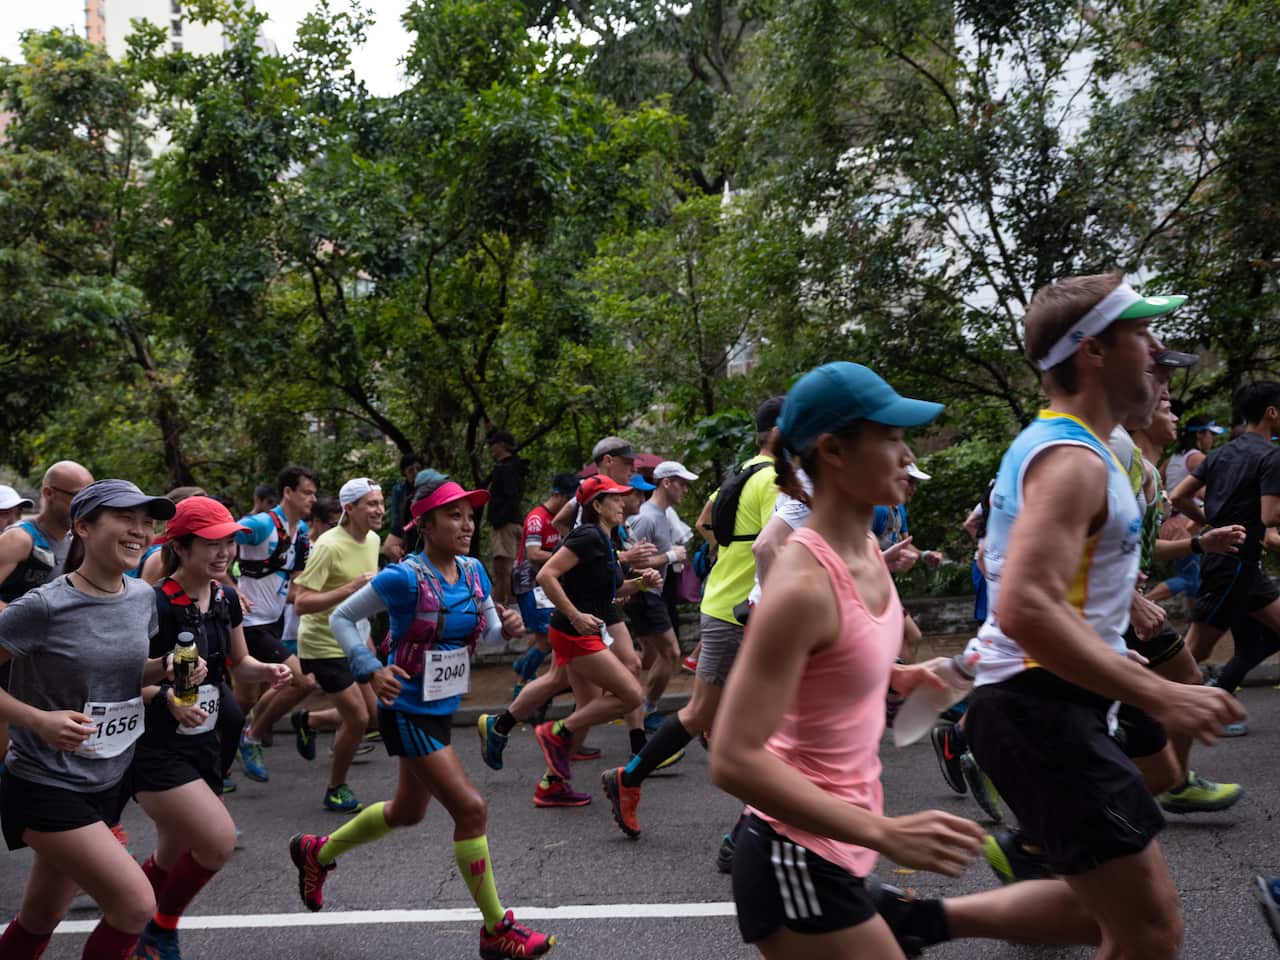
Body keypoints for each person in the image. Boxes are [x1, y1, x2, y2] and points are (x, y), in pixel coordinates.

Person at [966, 274, 1242, 959]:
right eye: (1141, 334)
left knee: (1121, 919)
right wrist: (1160, 691)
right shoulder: (1074, 462)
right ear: (1091, 350)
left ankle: (930, 919)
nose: (1157, 349)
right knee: (1149, 933)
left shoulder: (1072, 448)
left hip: (1055, 704)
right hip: (1040, 710)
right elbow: (1024, 606)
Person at [288, 476, 555, 959]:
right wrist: (369, 668)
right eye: (454, 515)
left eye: (470, 516)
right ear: (425, 525)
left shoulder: (474, 572)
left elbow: (490, 637)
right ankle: (496, 929)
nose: (467, 525)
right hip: (404, 707)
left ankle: (317, 852)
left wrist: (510, 627)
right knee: (471, 809)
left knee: (407, 812)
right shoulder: (403, 577)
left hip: (442, 706)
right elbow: (340, 619)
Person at [0, 480, 204, 960]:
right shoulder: (45, 606)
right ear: (84, 527)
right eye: (125, 519)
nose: (140, 531)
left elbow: (127, 675)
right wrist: (39, 721)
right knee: (135, 906)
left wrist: (171, 671)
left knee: (39, 917)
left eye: (148, 522)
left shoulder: (140, 598)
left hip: (105, 778)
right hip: (44, 782)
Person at [601, 398, 781, 844]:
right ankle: (745, 834)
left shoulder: (738, 477)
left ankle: (631, 779)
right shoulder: (775, 480)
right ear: (780, 432)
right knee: (752, 720)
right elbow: (776, 548)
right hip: (743, 611)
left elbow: (708, 523)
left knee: (719, 715)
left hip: (727, 605)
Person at [126, 497, 291, 960]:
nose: (223, 552)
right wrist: (164, 695)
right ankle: (158, 929)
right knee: (217, 843)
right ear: (179, 547)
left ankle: (129, 920)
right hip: (157, 749)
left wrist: (270, 672)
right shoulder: (151, 603)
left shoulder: (223, 597)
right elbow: (115, 681)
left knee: (171, 855)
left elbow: (240, 663)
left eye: (229, 543)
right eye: (211, 543)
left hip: (209, 744)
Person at [533, 475, 662, 799]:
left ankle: (552, 784)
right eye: (615, 498)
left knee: (589, 705)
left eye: (622, 497)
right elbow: (545, 574)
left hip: (589, 629)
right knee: (631, 694)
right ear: (598, 505)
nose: (622, 502)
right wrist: (576, 615)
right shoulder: (588, 535)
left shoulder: (606, 539)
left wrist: (643, 583)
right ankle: (554, 731)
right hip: (573, 631)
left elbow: (614, 589)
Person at [289, 478, 384, 813]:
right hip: (322, 643)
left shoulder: (373, 540)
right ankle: (336, 788)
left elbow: (364, 600)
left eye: (381, 503)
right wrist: (349, 588)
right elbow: (301, 603)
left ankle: (309, 722)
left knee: (374, 716)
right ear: (350, 509)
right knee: (357, 718)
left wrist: (367, 637)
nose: (380, 510)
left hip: (354, 639)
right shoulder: (328, 546)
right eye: (371, 504)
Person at [1169, 380, 1280, 666]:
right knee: (1195, 651)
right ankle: (1142, 699)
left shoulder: (1220, 454)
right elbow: (1270, 516)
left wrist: (1212, 521)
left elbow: (1178, 496)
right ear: (1272, 412)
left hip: (1241, 565)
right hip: (1231, 566)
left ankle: (1212, 693)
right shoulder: (1271, 456)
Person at [0, 461, 94, 779]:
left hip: (45, 667)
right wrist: (23, 618)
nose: (86, 505)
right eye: (78, 496)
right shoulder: (20, 539)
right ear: (48, 494)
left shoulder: (76, 541)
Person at [234, 464, 316, 783]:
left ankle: (219, 755)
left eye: (313, 493)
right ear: (287, 493)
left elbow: (292, 580)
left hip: (274, 622)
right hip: (249, 623)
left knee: (245, 699)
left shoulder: (302, 533)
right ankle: (251, 737)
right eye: (306, 492)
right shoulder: (260, 525)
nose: (312, 498)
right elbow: (215, 542)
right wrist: (227, 586)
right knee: (302, 681)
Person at [626, 461, 698, 731]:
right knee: (671, 653)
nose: (686, 490)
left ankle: (625, 694)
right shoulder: (646, 517)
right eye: (682, 483)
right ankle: (647, 710)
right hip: (644, 593)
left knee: (650, 655)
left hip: (650, 592)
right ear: (666, 483)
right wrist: (670, 556)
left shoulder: (661, 515)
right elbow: (631, 564)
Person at [509, 472, 578, 698]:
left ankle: (522, 665)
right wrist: (563, 557)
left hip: (545, 580)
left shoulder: (563, 520)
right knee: (546, 638)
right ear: (557, 495)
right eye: (568, 499)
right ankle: (521, 683)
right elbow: (533, 553)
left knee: (543, 634)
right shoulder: (537, 518)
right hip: (529, 581)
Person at [486, 431, 527, 606]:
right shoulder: (516, 466)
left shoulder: (505, 468)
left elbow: (510, 496)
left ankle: (508, 604)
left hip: (505, 523)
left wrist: (499, 518)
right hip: (515, 520)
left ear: (501, 445)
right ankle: (507, 602)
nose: (491, 449)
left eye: (493, 444)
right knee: (509, 564)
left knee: (504, 566)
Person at [381, 451, 423, 563]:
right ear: (404, 473)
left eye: (418, 469)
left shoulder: (428, 488)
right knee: (389, 549)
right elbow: (396, 518)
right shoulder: (400, 490)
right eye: (411, 470)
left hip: (424, 531)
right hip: (406, 531)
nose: (415, 473)